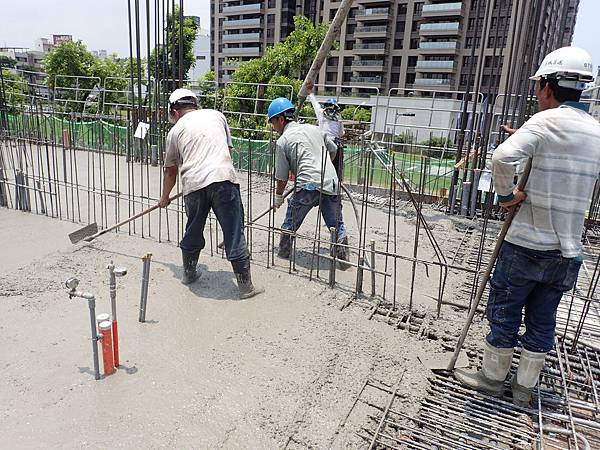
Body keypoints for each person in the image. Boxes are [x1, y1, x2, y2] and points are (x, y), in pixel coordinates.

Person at [454, 47, 600, 408]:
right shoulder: (596, 131)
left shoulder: (544, 121)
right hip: (567, 251)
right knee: (542, 320)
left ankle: (491, 380)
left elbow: (502, 156)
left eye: (539, 87)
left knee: (504, 311)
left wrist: (506, 196)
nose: (537, 94)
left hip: (525, 244)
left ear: (548, 86)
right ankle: (523, 389)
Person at [158, 88, 263, 299]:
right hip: (223, 178)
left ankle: (189, 274)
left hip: (193, 183)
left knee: (193, 229)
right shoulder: (217, 116)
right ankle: (245, 287)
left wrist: (164, 197)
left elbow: (170, 170)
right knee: (233, 232)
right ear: (194, 104)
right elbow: (227, 150)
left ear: (174, 111)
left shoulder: (175, 131)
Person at [267, 97, 349, 263]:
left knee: (291, 222)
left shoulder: (283, 141)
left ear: (281, 120)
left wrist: (278, 196)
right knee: (336, 225)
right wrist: (323, 169)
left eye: (273, 123)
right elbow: (333, 151)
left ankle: (284, 252)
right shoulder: (315, 129)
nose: (274, 128)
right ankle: (341, 251)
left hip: (307, 185)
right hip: (330, 182)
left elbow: (282, 177)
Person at [305, 81, 349, 261]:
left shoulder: (322, 115)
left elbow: (314, 103)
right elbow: (342, 134)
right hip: (336, 148)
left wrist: (310, 93)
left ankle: (328, 185)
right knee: (334, 180)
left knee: (322, 173)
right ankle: (334, 187)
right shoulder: (338, 119)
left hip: (324, 148)